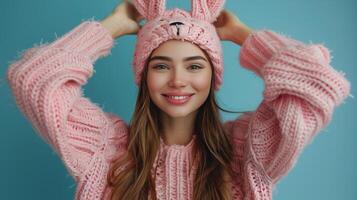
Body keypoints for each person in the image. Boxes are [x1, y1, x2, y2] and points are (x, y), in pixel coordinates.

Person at [6, 0, 351, 199]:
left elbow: (317, 84)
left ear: (213, 76)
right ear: (143, 75)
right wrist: (109, 26)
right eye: (160, 65)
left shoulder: (248, 152)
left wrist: (245, 37)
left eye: (194, 65)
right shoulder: (105, 149)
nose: (178, 80)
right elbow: (33, 78)